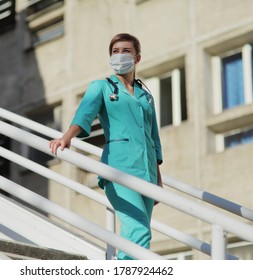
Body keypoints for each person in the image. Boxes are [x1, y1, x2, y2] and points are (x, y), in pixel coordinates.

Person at [49, 33, 163, 260]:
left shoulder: (146, 96)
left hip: (147, 172)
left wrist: (158, 179)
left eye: (126, 51)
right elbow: (85, 113)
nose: (119, 56)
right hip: (118, 169)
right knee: (139, 231)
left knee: (136, 236)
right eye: (115, 51)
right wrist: (67, 137)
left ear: (137, 58)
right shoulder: (102, 87)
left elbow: (153, 138)